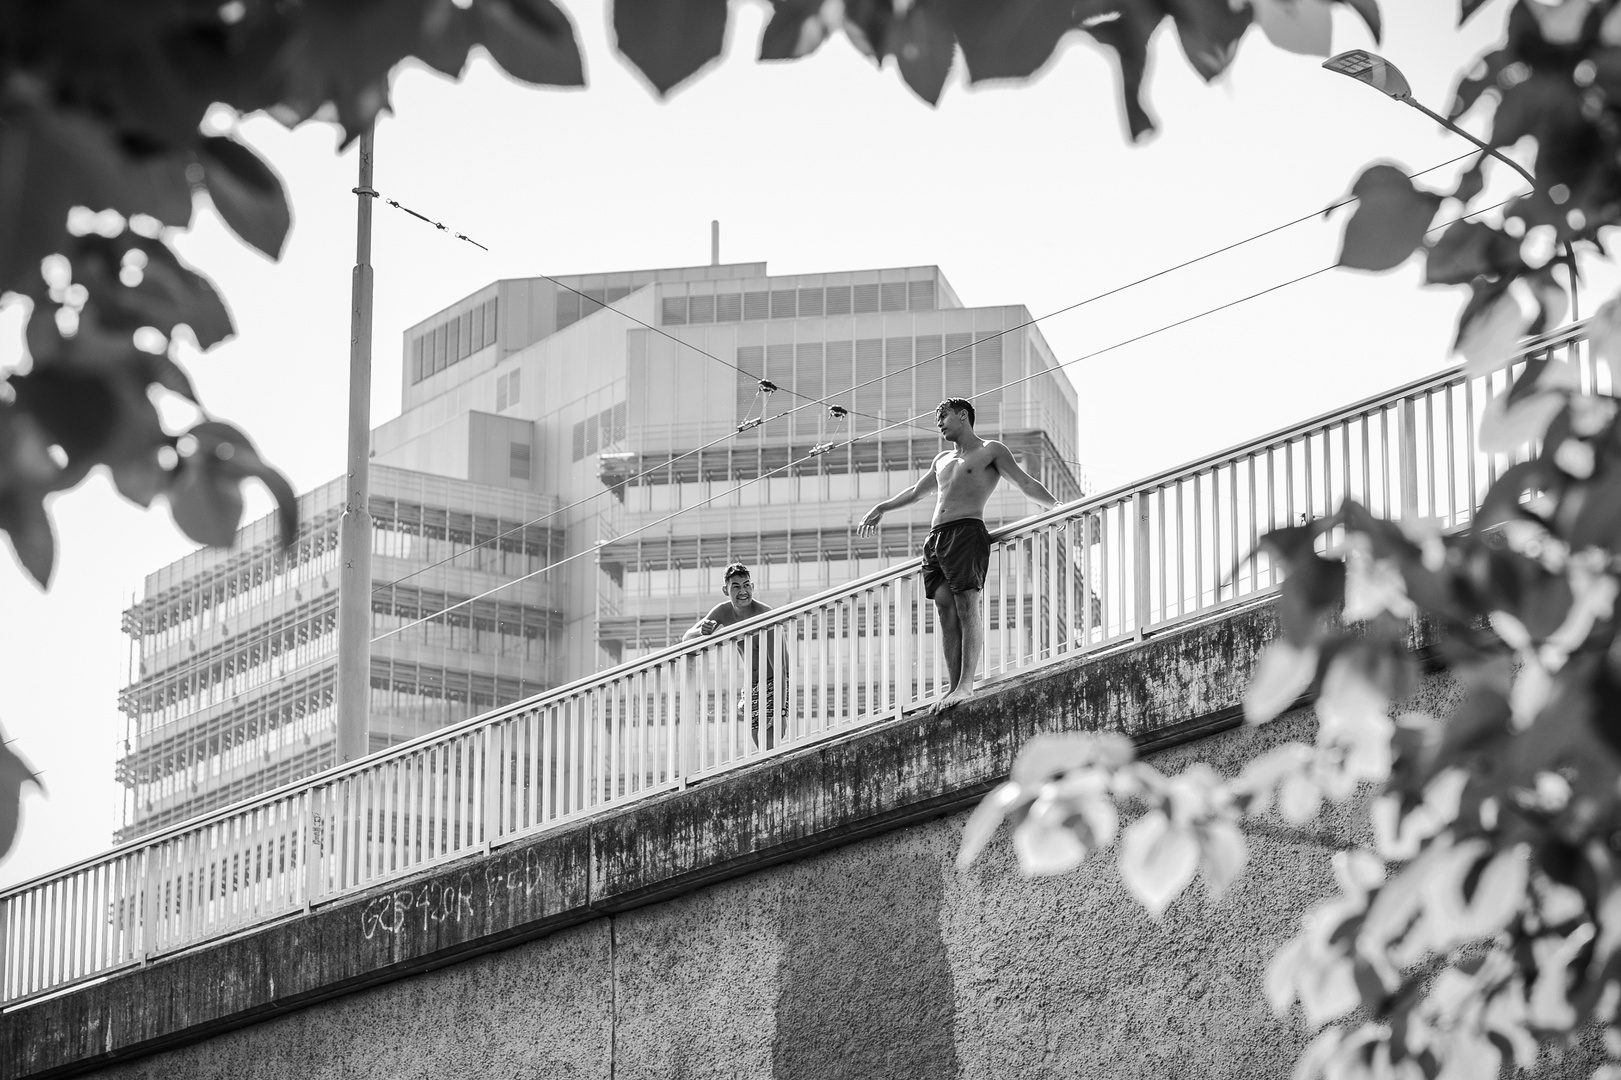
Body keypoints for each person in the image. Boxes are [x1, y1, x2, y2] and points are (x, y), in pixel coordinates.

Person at [858, 398, 1057, 713]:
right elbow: (915, 492)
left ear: (963, 416)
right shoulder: (942, 459)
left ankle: (966, 684)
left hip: (967, 532)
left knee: (967, 605)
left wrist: (1056, 507)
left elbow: (1024, 482)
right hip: (936, 539)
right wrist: (882, 508)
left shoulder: (991, 450)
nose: (939, 424)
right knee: (944, 608)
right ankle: (953, 687)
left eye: (943, 417)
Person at [682, 562, 787, 747]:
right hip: (752, 685)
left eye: (746, 585)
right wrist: (703, 632)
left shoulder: (765, 614)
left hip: (774, 681)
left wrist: (782, 709)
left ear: (752, 587)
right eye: (736, 587)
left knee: (770, 743)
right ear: (726, 590)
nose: (743, 591)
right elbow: (687, 638)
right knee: (758, 741)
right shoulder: (723, 611)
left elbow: (781, 667)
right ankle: (745, 704)